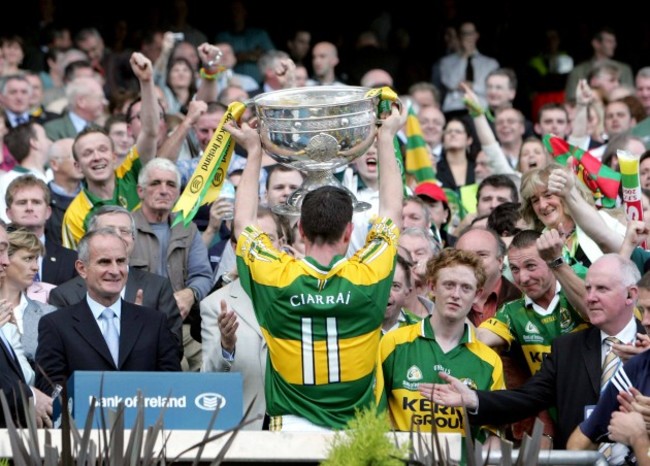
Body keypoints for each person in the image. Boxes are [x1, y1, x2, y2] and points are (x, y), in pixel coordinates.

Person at [229, 104, 405, 431]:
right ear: (350, 232)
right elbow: (393, 212)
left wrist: (253, 151)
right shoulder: (370, 274)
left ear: (301, 232)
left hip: (291, 431)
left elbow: (242, 225)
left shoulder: (275, 275)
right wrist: (386, 137)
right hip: (359, 431)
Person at [422, 253, 646, 449]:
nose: (590, 297)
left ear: (630, 295)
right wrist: (473, 399)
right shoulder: (567, 349)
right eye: (588, 288)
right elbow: (526, 398)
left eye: (602, 289)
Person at [375, 248, 504, 447]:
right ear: (432, 287)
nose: (456, 295)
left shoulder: (490, 361)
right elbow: (375, 418)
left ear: (477, 294)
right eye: (449, 285)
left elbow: (494, 435)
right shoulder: (393, 344)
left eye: (466, 288)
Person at [35, 228, 181, 392]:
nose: (115, 271)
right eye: (104, 262)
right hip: (83, 416)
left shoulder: (154, 322)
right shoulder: (56, 325)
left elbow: (172, 385)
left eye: (121, 261)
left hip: (145, 416)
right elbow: (50, 387)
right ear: (82, 268)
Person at [61, 52, 163, 249]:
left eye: (102, 149)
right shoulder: (75, 215)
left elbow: (150, 131)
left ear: (114, 156)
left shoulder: (130, 173)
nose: (97, 157)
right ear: (77, 166)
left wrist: (146, 81)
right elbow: (78, 267)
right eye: (87, 153)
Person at [48, 206, 183, 353]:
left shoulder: (158, 287)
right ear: (90, 238)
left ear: (133, 238)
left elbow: (174, 350)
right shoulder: (64, 295)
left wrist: (143, 327)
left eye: (124, 231)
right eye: (109, 231)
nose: (117, 237)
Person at [201, 206, 285, 430]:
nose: (262, 248)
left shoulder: (303, 296)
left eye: (269, 239)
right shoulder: (215, 305)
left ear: (281, 244)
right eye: (252, 241)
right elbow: (209, 379)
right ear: (236, 247)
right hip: (246, 429)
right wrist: (226, 346)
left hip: (298, 428)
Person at [129, 158, 212, 372]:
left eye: (171, 184)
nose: (164, 190)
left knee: (214, 363)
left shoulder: (187, 228)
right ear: (140, 191)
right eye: (155, 183)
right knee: (176, 367)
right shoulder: (124, 227)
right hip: (137, 324)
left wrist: (190, 294)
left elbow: (203, 276)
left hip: (182, 326)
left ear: (178, 193)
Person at [566, 271, 650, 463]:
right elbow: (578, 443)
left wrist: (637, 436)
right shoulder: (638, 367)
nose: (645, 321)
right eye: (643, 310)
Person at [0, 222, 52, 428]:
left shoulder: (48, 314)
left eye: (36, 259)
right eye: (28, 258)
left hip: (30, 422)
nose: (35, 267)